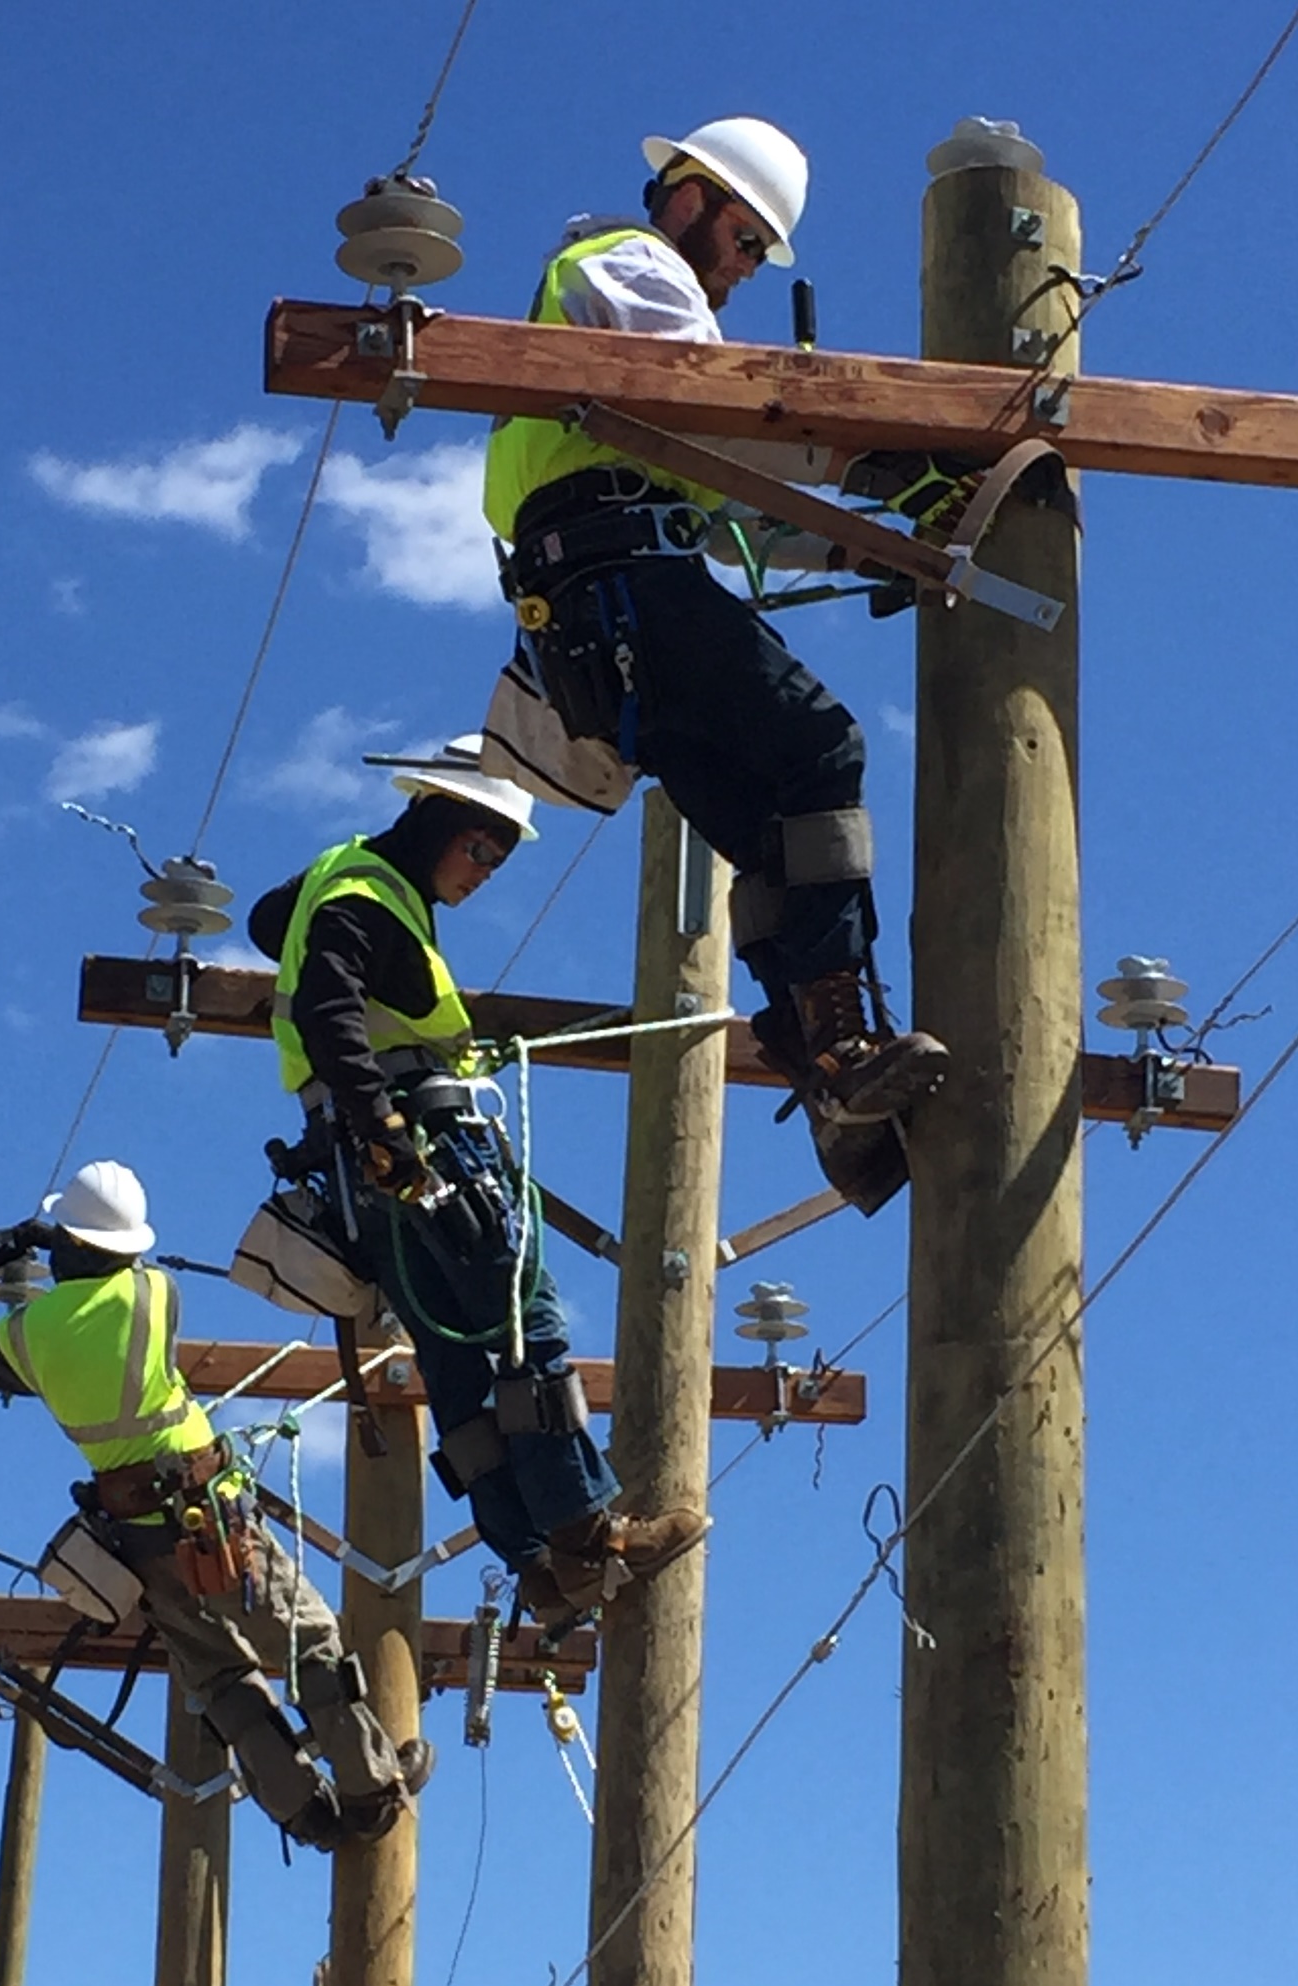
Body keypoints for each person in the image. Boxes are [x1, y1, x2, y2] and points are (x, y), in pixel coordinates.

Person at [482, 114, 982, 1214]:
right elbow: (718, 399)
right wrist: (872, 462)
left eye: (759, 253)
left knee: (770, 838)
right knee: (820, 747)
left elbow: (721, 500)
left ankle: (828, 1079)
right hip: (628, 591)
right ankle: (840, 1040)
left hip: (607, 609)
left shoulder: (631, 316)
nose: (745, 268)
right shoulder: (629, 266)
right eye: (746, 240)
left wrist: (868, 538)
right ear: (692, 198)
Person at [247, 735, 708, 1633]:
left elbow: (273, 926)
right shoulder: (365, 898)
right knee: (520, 1332)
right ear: (432, 818)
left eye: (501, 855)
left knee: (459, 1368)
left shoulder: (341, 878)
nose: (489, 869)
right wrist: (385, 1122)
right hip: (418, 1144)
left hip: (361, 1163)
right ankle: (588, 1535)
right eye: (481, 846)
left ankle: (537, 1569)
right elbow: (328, 1005)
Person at [0, 1159, 430, 1850]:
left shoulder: (30, 1334)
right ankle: (369, 1788)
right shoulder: (151, 1294)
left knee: (221, 1677)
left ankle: (305, 1814)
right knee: (305, 1640)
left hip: (134, 1541)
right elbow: (105, 1261)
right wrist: (47, 1234)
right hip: (214, 1518)